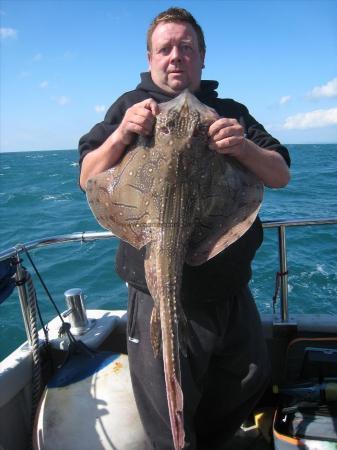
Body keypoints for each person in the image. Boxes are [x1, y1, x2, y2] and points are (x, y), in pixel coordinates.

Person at [78, 7, 290, 450]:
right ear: (151, 58)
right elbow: (88, 176)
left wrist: (242, 144)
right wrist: (122, 134)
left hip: (230, 289)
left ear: (202, 57)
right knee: (167, 410)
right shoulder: (128, 107)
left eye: (186, 47)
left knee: (249, 378)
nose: (176, 56)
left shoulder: (230, 111)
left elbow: (279, 174)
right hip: (153, 282)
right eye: (166, 48)